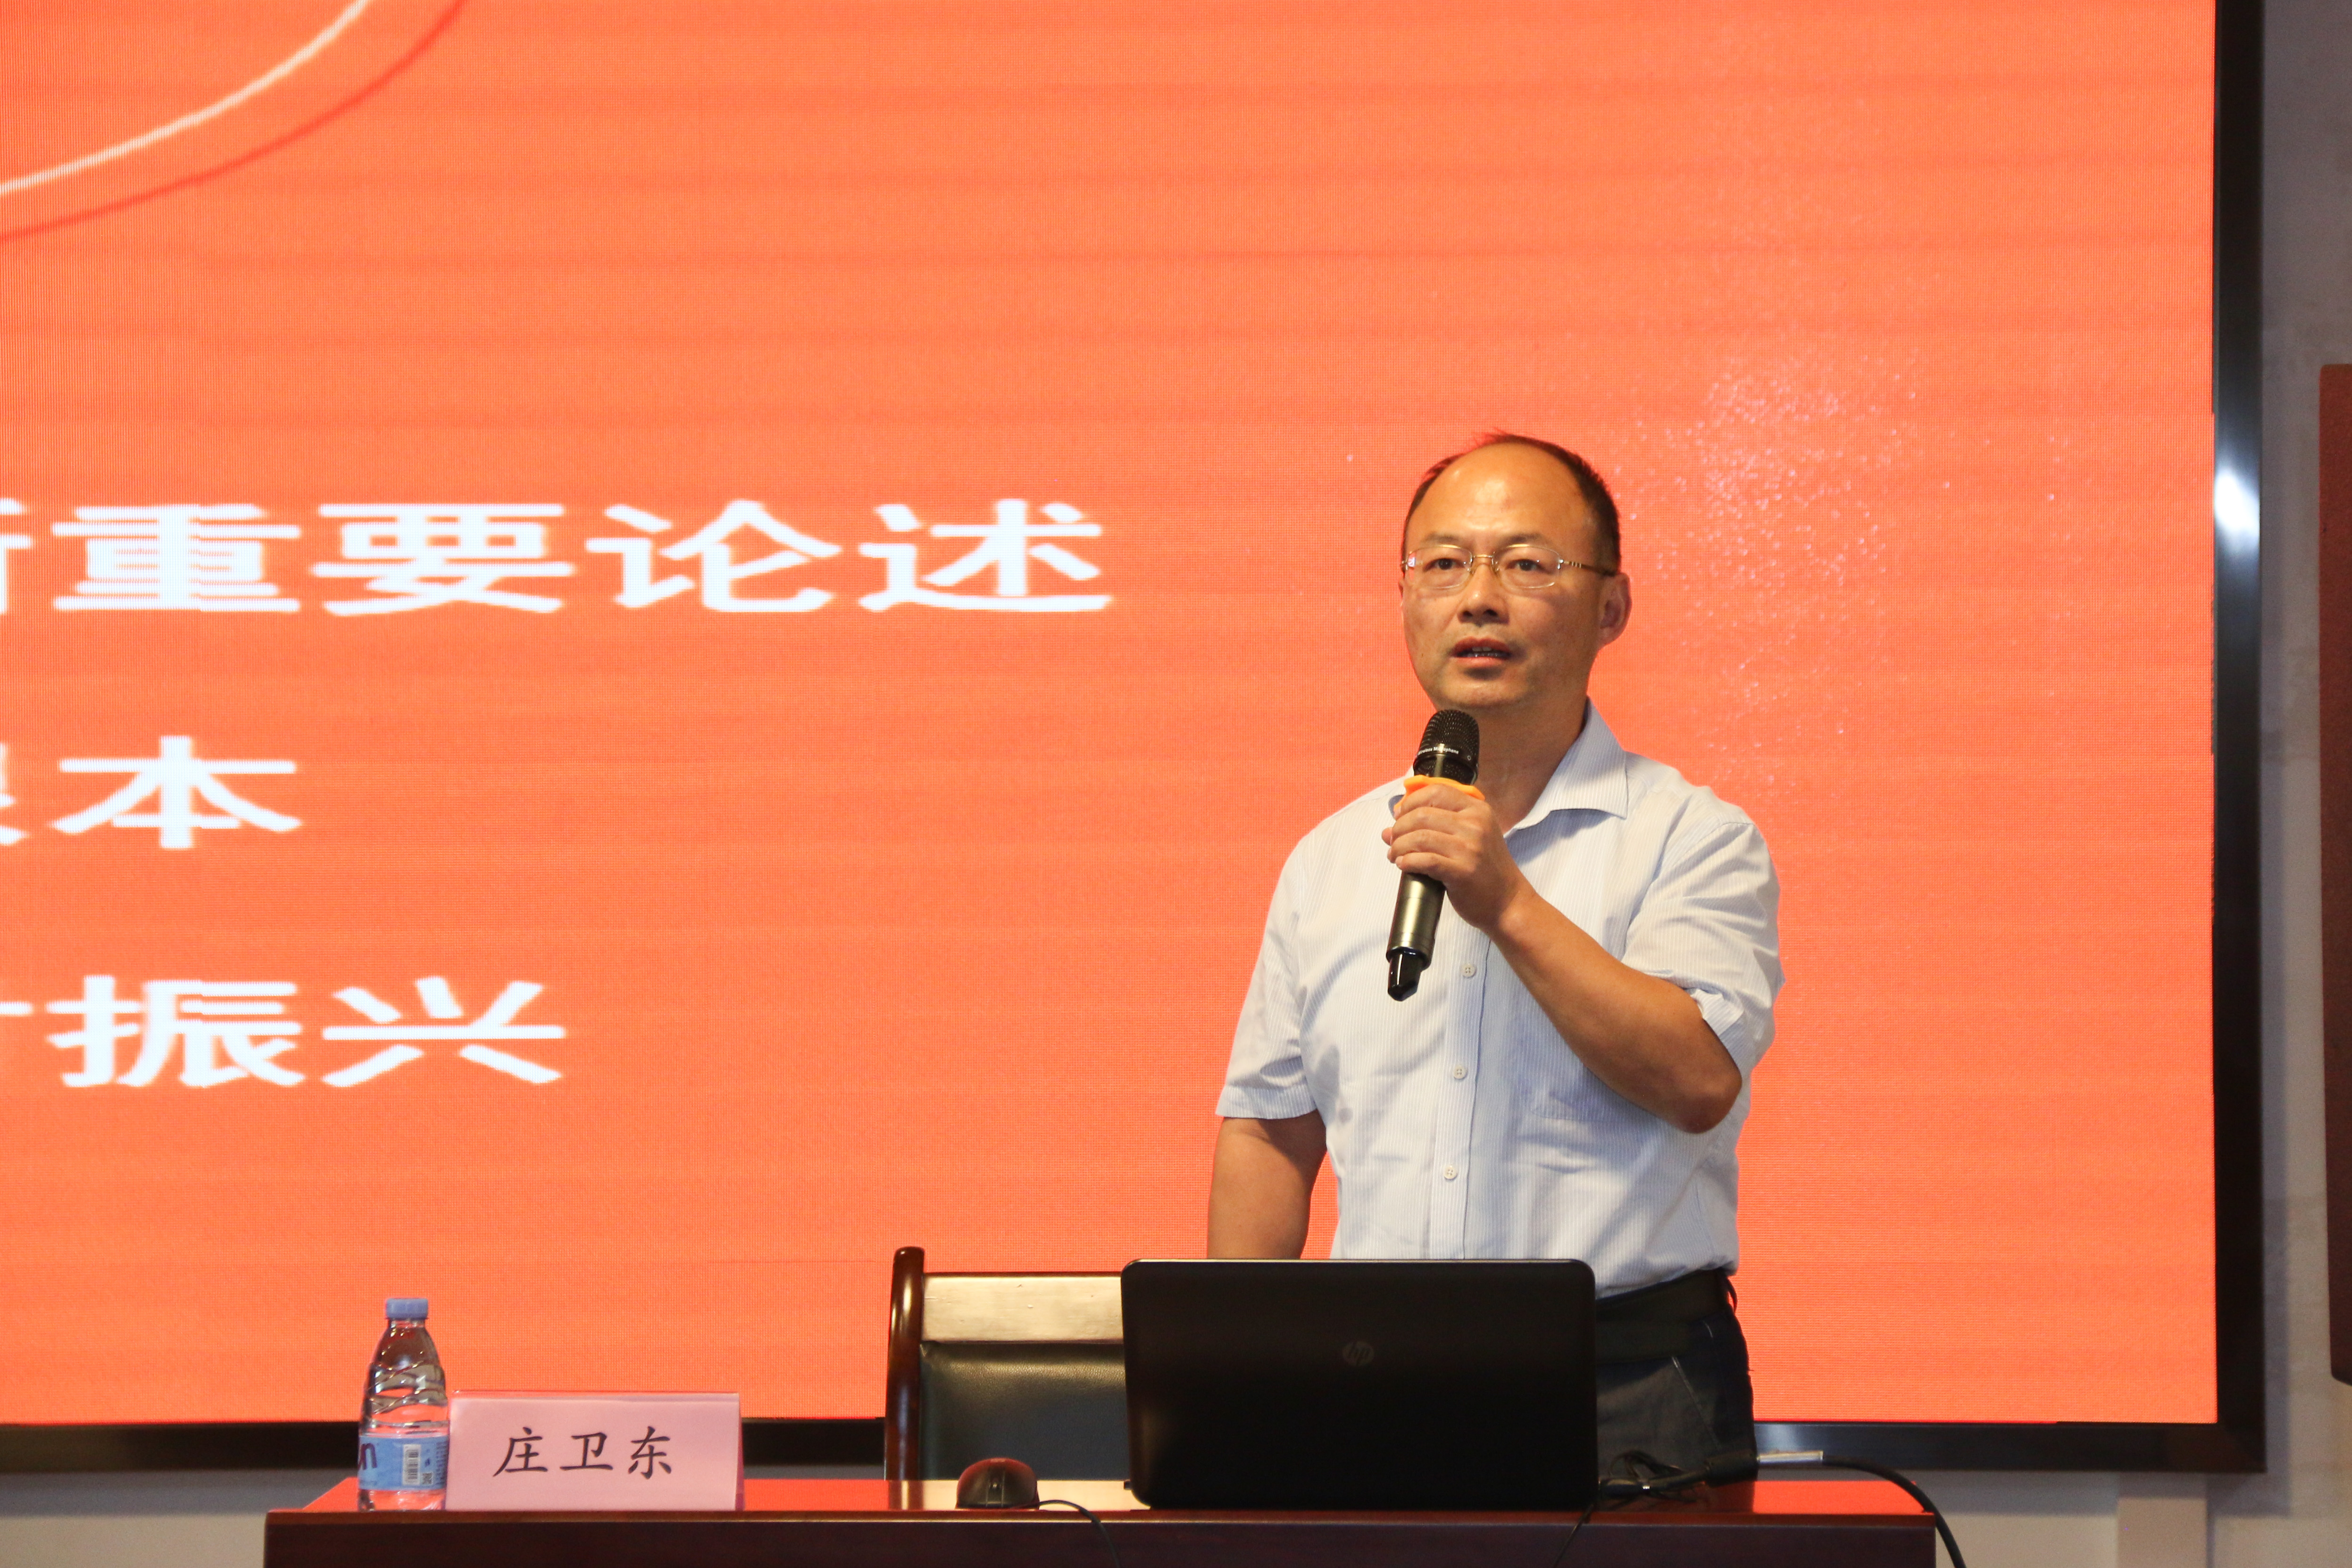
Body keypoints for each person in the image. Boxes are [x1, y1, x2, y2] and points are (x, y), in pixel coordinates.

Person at [1206, 433, 1784, 1474]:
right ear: (1404, 598)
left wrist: (1505, 898)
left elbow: (1696, 1081)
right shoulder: (1331, 857)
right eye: (1443, 564)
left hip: (1627, 1388)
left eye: (1527, 564)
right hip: (1370, 1378)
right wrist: (1232, 1384)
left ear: (1611, 607)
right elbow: (1269, 1129)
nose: (1478, 598)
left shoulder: (1692, 838)